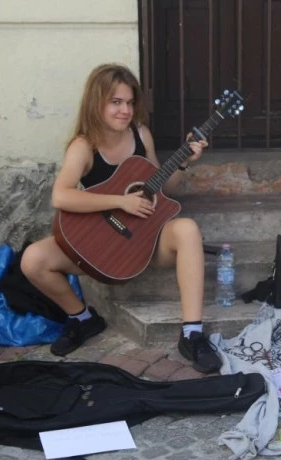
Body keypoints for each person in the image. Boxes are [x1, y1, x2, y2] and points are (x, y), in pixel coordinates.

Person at [20, 63, 221, 373]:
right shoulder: (84, 146)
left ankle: (192, 334)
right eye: (116, 102)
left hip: (147, 241)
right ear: (96, 102)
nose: (125, 110)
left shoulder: (141, 135)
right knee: (32, 259)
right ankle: (83, 319)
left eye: (129, 102)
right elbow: (61, 196)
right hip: (103, 245)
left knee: (188, 229)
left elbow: (161, 186)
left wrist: (184, 162)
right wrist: (120, 201)